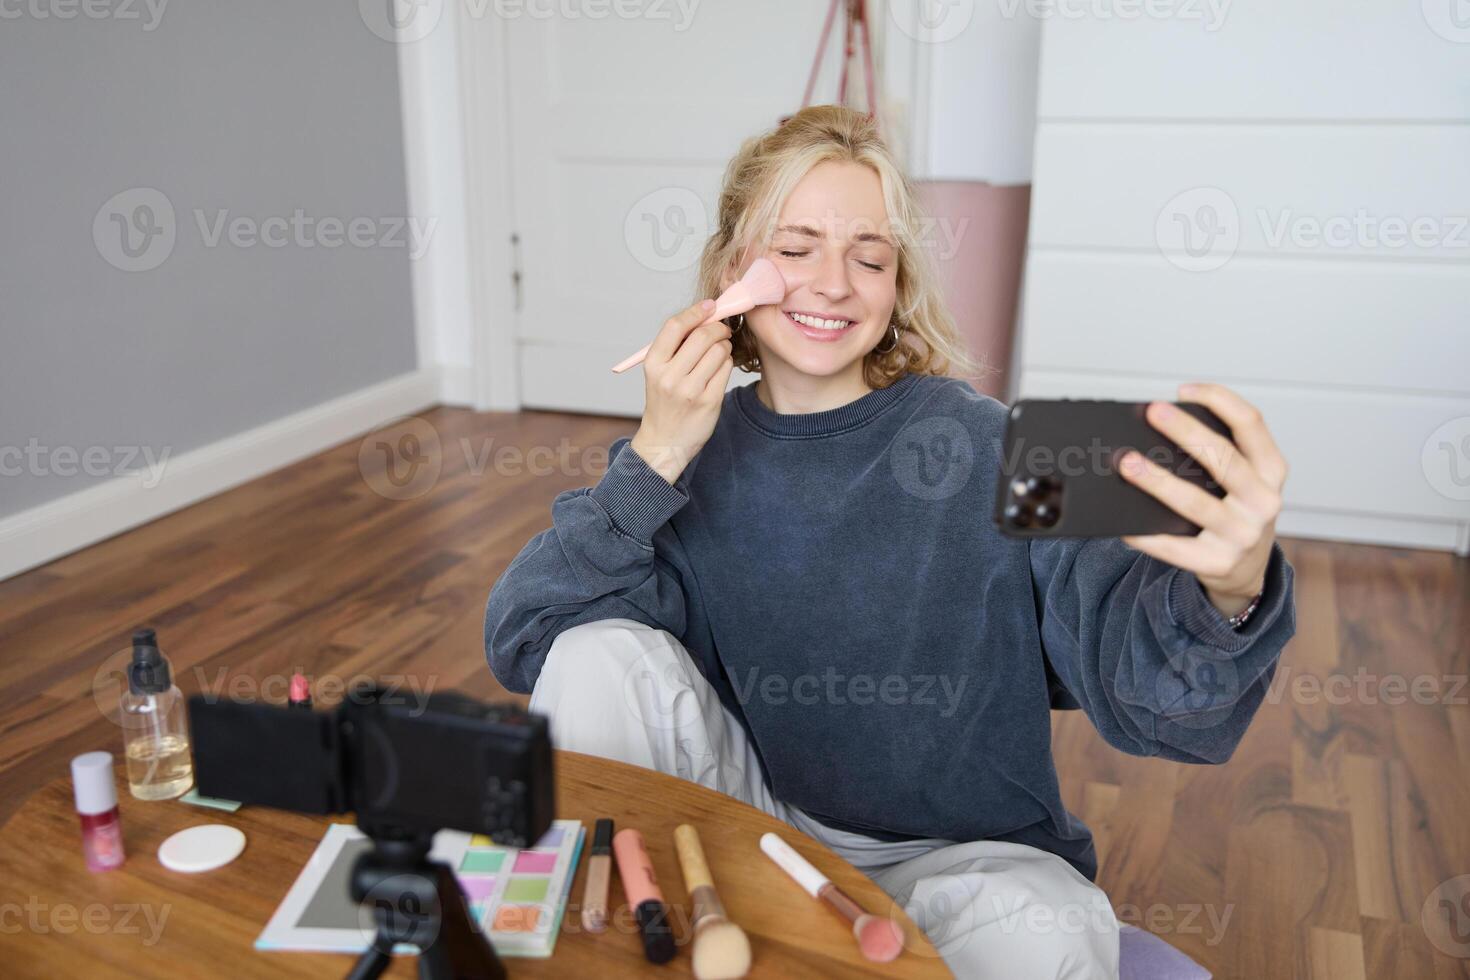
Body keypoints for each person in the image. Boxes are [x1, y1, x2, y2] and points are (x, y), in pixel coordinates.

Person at [484, 105, 1295, 978]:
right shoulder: (690, 457)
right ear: (728, 275)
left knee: (1053, 928)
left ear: (897, 285)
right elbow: (529, 638)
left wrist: (1230, 590)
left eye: (868, 256)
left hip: (964, 861)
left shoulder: (1002, 444)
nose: (833, 283)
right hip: (759, 829)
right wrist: (656, 454)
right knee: (597, 650)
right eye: (794, 250)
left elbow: (1164, 706)